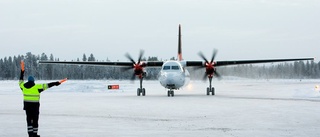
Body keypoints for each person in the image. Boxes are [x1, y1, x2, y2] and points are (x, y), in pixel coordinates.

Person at [19, 60, 67, 137]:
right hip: (35, 107)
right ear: (33, 81)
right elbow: (48, 85)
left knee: (29, 121)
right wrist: (56, 83)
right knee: (35, 121)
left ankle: (30, 134)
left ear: (28, 81)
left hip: (27, 107)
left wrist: (22, 72)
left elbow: (20, 81)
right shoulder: (37, 87)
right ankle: (35, 134)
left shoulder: (23, 87)